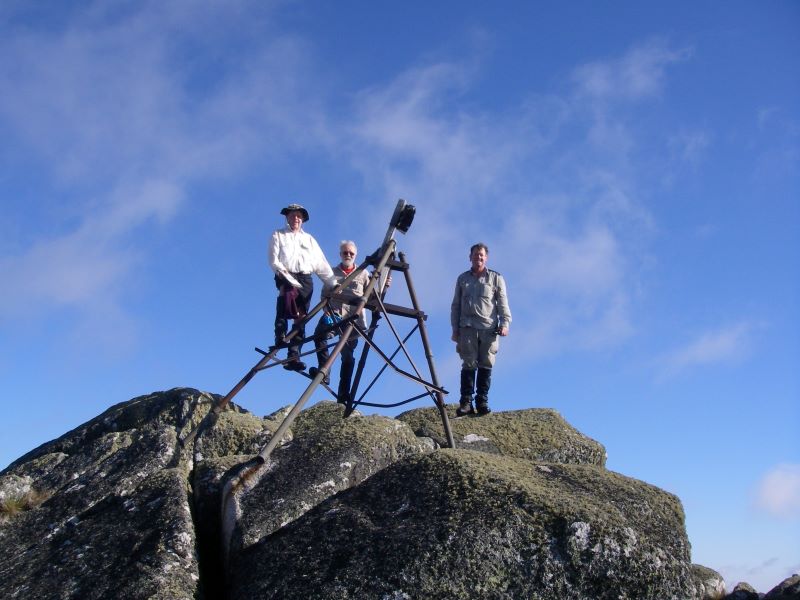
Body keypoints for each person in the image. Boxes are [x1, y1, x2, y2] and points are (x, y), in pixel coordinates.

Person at [269, 203, 335, 371]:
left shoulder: (309, 239)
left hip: (305, 278)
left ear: (302, 219)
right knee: (286, 297)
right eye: (293, 215)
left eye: (299, 216)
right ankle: (280, 334)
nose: (296, 218)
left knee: (301, 316)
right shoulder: (278, 235)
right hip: (285, 273)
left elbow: (320, 263)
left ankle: (293, 355)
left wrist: (333, 283)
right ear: (287, 217)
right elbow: (273, 259)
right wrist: (282, 272)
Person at [450, 243, 511, 416]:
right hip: (467, 328)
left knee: (486, 363)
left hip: (489, 329)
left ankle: (482, 401)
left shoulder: (495, 278)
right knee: (468, 364)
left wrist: (505, 324)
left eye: (482, 255)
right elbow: (455, 306)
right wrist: (455, 329)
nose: (479, 257)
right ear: (470, 257)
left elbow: (503, 304)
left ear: (486, 258)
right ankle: (466, 402)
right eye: (476, 255)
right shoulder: (462, 279)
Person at [310, 240, 373, 404]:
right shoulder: (332, 272)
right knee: (319, 335)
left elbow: (373, 297)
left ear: (355, 255)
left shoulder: (363, 274)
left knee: (347, 356)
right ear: (340, 254)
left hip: (353, 319)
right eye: (345, 253)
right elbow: (324, 294)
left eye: (351, 253)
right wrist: (326, 311)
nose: (348, 255)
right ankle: (324, 373)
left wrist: (385, 283)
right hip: (334, 314)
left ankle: (344, 393)